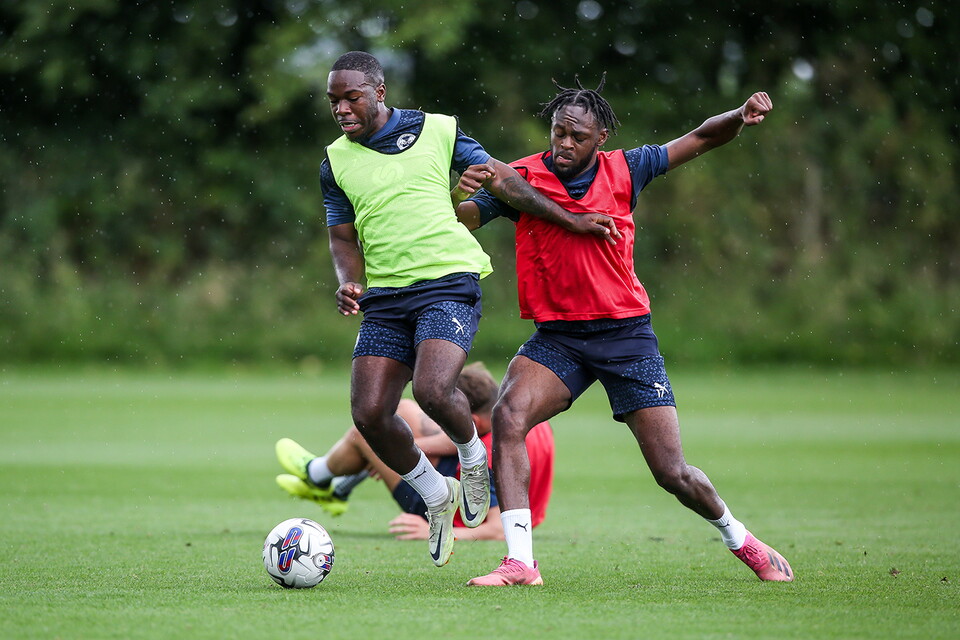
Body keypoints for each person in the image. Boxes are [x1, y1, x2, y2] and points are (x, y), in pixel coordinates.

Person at [453, 76, 793, 586]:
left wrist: (738, 117)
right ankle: (521, 562)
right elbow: (466, 219)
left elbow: (699, 138)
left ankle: (739, 539)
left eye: (578, 136)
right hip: (559, 337)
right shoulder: (520, 177)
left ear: (601, 138)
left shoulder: (627, 169)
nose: (564, 144)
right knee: (509, 414)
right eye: (558, 132)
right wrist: (457, 198)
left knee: (671, 472)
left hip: (626, 336)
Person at [306, 52, 613, 568]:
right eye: (333, 99)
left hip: (447, 283)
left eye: (351, 97)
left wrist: (570, 221)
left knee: (431, 389)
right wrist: (349, 280)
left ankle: (472, 455)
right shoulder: (334, 162)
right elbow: (341, 237)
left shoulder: (437, 129)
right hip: (385, 297)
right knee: (369, 414)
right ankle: (434, 495)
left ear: (379, 92)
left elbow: (504, 180)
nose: (341, 108)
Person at [274, 363, 554, 542]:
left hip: (450, 508)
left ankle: (320, 476)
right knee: (403, 411)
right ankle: (336, 486)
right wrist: (406, 448)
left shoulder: (492, 461)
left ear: (474, 422)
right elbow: (468, 439)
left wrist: (436, 531)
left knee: (366, 434)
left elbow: (497, 529)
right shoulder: (526, 423)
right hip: (473, 480)